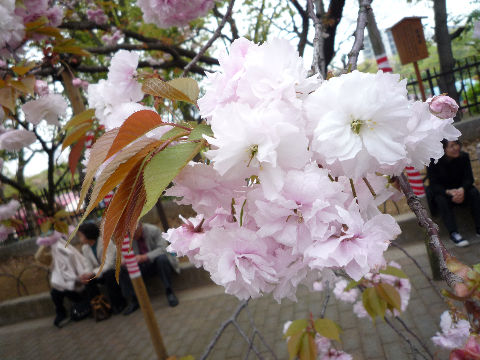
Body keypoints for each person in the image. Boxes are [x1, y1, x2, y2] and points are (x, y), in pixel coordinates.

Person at [427, 140, 480, 247]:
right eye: (451, 146)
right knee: (440, 199)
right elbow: (433, 184)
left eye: (456, 144)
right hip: (444, 193)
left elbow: (469, 179)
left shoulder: (464, 157)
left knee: (474, 192)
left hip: (461, 190)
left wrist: (462, 190)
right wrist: (448, 192)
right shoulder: (434, 161)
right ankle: (454, 233)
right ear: (443, 149)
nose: (455, 148)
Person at [35, 231, 93, 328]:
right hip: (68, 284)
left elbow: (73, 267)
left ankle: (83, 306)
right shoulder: (55, 253)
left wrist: (76, 278)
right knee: (55, 292)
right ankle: (61, 313)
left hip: (78, 283)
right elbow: (40, 257)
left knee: (65, 289)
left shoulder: (64, 250)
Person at [120, 222, 180, 315]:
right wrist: (124, 261)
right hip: (141, 266)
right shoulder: (127, 236)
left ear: (140, 228)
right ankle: (134, 299)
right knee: (122, 270)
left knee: (162, 259)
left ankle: (169, 292)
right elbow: (122, 253)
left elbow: (163, 249)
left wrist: (144, 257)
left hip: (155, 263)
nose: (133, 237)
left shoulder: (153, 230)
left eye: (135, 234)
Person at [77, 222, 127, 314]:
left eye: (81, 235)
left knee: (109, 275)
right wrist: (86, 275)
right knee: (89, 282)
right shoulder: (85, 248)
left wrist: (93, 273)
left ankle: (119, 304)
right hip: (101, 273)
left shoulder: (106, 242)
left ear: (88, 234)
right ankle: (100, 308)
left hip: (115, 270)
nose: (79, 238)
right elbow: (88, 265)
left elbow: (109, 264)